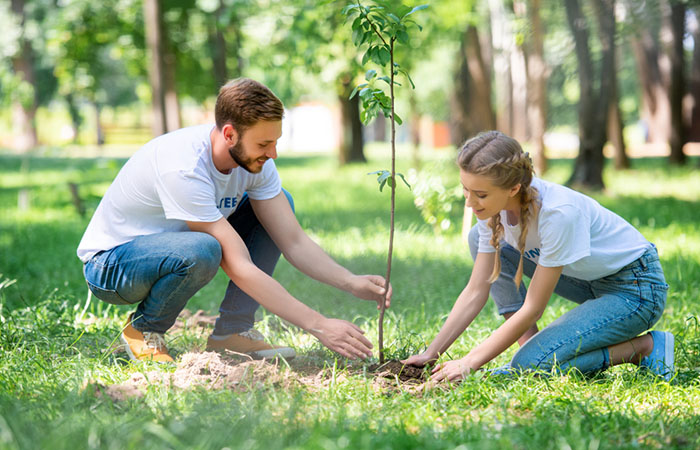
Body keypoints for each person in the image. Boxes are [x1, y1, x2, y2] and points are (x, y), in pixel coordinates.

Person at [77, 78, 391, 363]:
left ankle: (233, 332)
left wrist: (350, 281)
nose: (273, 154)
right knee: (204, 249)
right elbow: (238, 265)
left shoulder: (257, 163)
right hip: (112, 266)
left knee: (278, 203)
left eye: (275, 141)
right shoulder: (185, 166)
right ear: (230, 134)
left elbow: (293, 241)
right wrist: (318, 325)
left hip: (171, 250)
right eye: (264, 144)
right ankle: (144, 329)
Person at [403, 131, 674, 382]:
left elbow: (534, 306)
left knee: (531, 367)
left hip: (635, 291)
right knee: (477, 237)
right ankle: (531, 349)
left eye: (481, 194)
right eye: (466, 189)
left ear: (513, 188)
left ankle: (644, 348)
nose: (470, 202)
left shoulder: (557, 214)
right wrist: (432, 352)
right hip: (588, 282)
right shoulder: (490, 213)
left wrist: (470, 361)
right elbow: (476, 291)